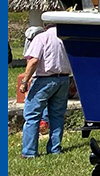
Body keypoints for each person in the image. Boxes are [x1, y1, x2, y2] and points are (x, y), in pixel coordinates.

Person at [18, 25, 72, 158]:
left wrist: (25, 81)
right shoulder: (66, 39)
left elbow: (34, 60)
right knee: (57, 115)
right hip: (63, 79)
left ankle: (29, 152)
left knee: (32, 115)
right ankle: (54, 149)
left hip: (44, 79)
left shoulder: (42, 37)